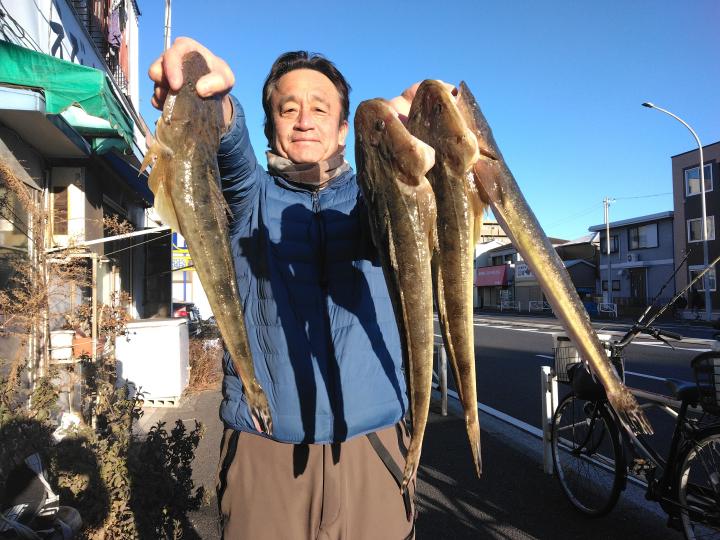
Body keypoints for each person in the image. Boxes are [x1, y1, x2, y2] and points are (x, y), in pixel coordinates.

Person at [149, 38, 426, 539]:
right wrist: (208, 92)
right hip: (265, 455)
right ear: (269, 125)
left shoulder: (369, 200)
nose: (304, 121)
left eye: (320, 109)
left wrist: (417, 131)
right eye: (288, 108)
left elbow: (411, 209)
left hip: (375, 449)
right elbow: (228, 149)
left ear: (343, 130)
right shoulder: (248, 198)